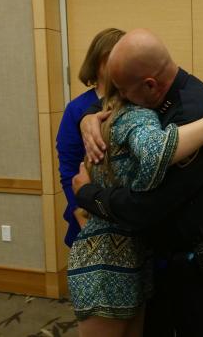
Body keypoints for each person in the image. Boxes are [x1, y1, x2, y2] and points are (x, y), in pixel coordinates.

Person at [73, 28, 203, 337]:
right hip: (175, 270)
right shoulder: (162, 96)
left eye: (123, 92)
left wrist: (88, 194)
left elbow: (145, 207)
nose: (118, 100)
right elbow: (118, 105)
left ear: (150, 85)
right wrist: (89, 118)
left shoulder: (197, 119)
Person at [56, 28, 125, 248]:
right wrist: (79, 212)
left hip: (124, 208)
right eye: (111, 58)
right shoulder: (76, 109)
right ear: (97, 62)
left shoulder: (134, 101)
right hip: (87, 210)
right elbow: (68, 168)